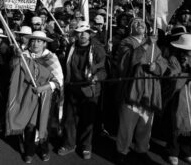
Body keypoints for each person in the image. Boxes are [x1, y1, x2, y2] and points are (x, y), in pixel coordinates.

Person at [115, 18, 168, 164]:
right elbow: (127, 61)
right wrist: (145, 45)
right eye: (136, 23)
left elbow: (163, 62)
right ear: (130, 28)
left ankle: (142, 149)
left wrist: (156, 67)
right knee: (127, 125)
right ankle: (122, 151)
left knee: (145, 124)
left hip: (149, 90)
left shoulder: (154, 45)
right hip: (132, 89)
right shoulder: (126, 42)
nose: (140, 25)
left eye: (143, 23)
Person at [6, 31, 63, 163]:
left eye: (39, 41)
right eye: (33, 41)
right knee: (30, 126)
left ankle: (44, 150)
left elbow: (58, 80)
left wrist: (44, 87)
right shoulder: (23, 56)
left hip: (46, 98)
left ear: (44, 44)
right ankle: (29, 151)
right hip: (28, 96)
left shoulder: (51, 58)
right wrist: (16, 57)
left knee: (44, 124)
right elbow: (13, 70)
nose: (35, 43)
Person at [58, 22, 107, 160]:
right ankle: (69, 144)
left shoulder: (97, 49)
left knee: (88, 119)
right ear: (76, 34)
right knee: (69, 118)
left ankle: (86, 146)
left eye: (86, 31)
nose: (83, 34)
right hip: (72, 87)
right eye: (80, 32)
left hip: (90, 90)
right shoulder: (70, 47)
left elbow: (103, 70)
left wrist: (97, 77)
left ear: (90, 33)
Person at [162, 34, 191, 165]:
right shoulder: (173, 59)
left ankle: (187, 151)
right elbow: (173, 76)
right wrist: (186, 75)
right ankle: (173, 151)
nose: (186, 54)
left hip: (189, 97)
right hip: (175, 95)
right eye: (185, 51)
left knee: (189, 124)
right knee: (174, 124)